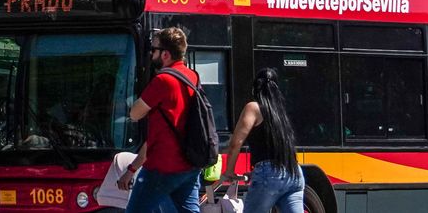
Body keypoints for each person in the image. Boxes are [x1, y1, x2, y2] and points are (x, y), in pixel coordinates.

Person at [117, 27, 202, 213]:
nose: (150, 54)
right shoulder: (193, 77)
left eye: (153, 50)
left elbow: (135, 114)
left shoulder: (163, 80)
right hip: (189, 165)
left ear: (165, 54)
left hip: (162, 167)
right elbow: (163, 132)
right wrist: (132, 169)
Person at [220, 68, 305, 213]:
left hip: (269, 175)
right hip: (295, 173)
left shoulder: (253, 108)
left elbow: (236, 143)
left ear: (255, 89)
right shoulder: (280, 112)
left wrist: (229, 171)